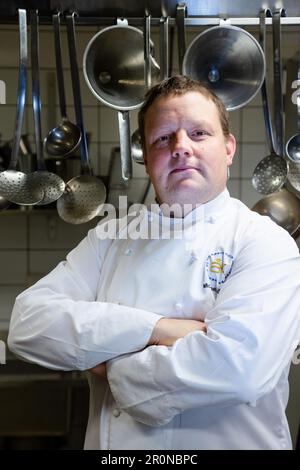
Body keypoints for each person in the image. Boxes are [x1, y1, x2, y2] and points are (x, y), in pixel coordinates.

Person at [8, 75, 300, 450]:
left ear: (228, 148)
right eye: (163, 138)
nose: (181, 148)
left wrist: (112, 363)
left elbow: (239, 370)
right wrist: (162, 329)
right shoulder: (110, 238)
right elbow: (28, 325)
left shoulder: (264, 242)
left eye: (198, 133)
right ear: (147, 158)